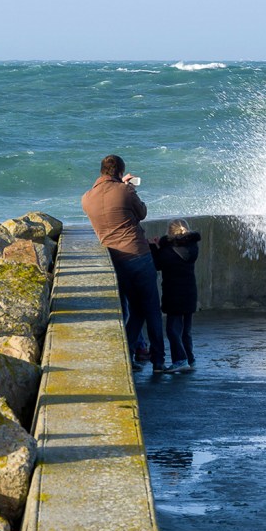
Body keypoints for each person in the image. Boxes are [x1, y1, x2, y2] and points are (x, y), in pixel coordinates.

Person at [81, 154, 167, 373]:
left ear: (101, 171)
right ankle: (158, 361)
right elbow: (142, 213)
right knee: (151, 310)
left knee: (134, 310)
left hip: (114, 260)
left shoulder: (86, 198)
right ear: (120, 172)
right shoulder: (125, 190)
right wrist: (128, 187)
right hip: (138, 255)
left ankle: (127, 356)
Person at [151, 219, 202, 372]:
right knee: (186, 330)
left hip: (174, 294)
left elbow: (158, 264)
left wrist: (155, 247)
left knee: (173, 330)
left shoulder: (167, 251)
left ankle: (180, 360)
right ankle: (190, 359)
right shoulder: (192, 247)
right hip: (190, 293)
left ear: (170, 232)